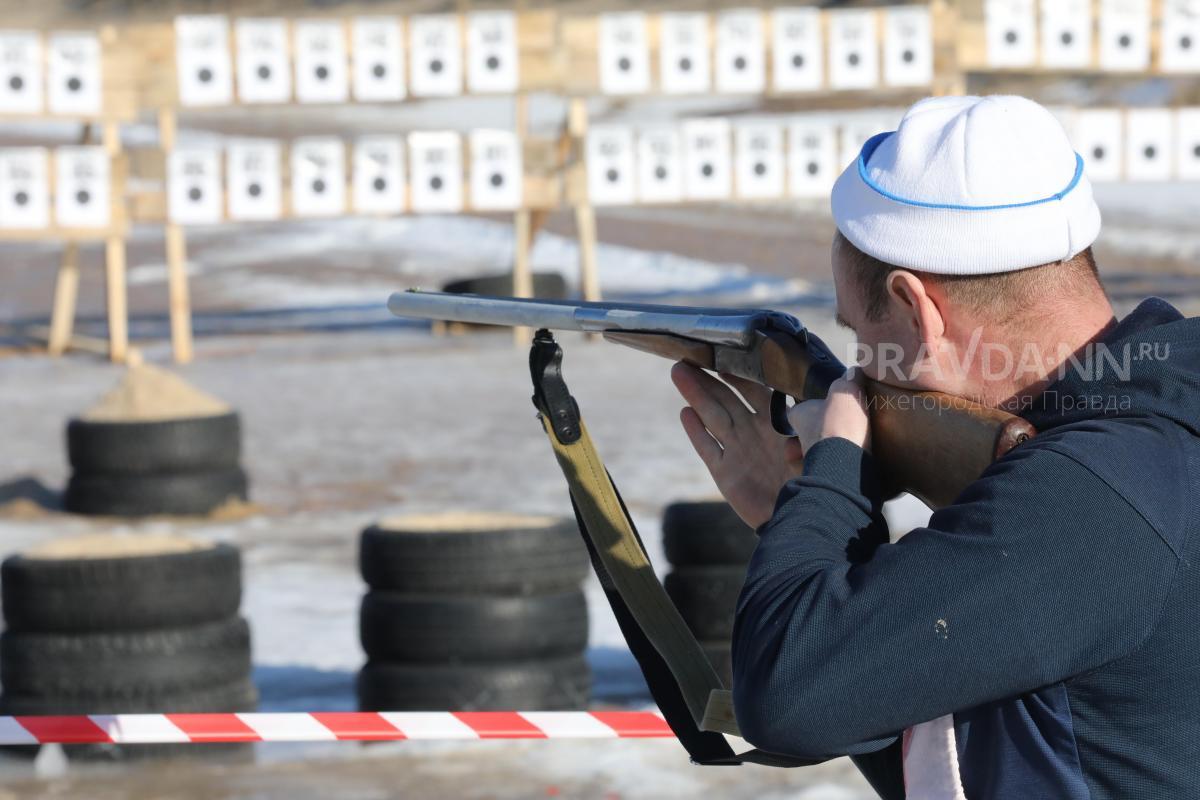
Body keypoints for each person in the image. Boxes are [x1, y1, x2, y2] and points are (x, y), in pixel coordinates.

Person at [671, 95, 1200, 799]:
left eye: (863, 337)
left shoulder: (1088, 495)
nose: (862, 367)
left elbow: (790, 701)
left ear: (919, 311)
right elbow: (955, 753)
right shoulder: (1155, 429)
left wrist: (826, 490)